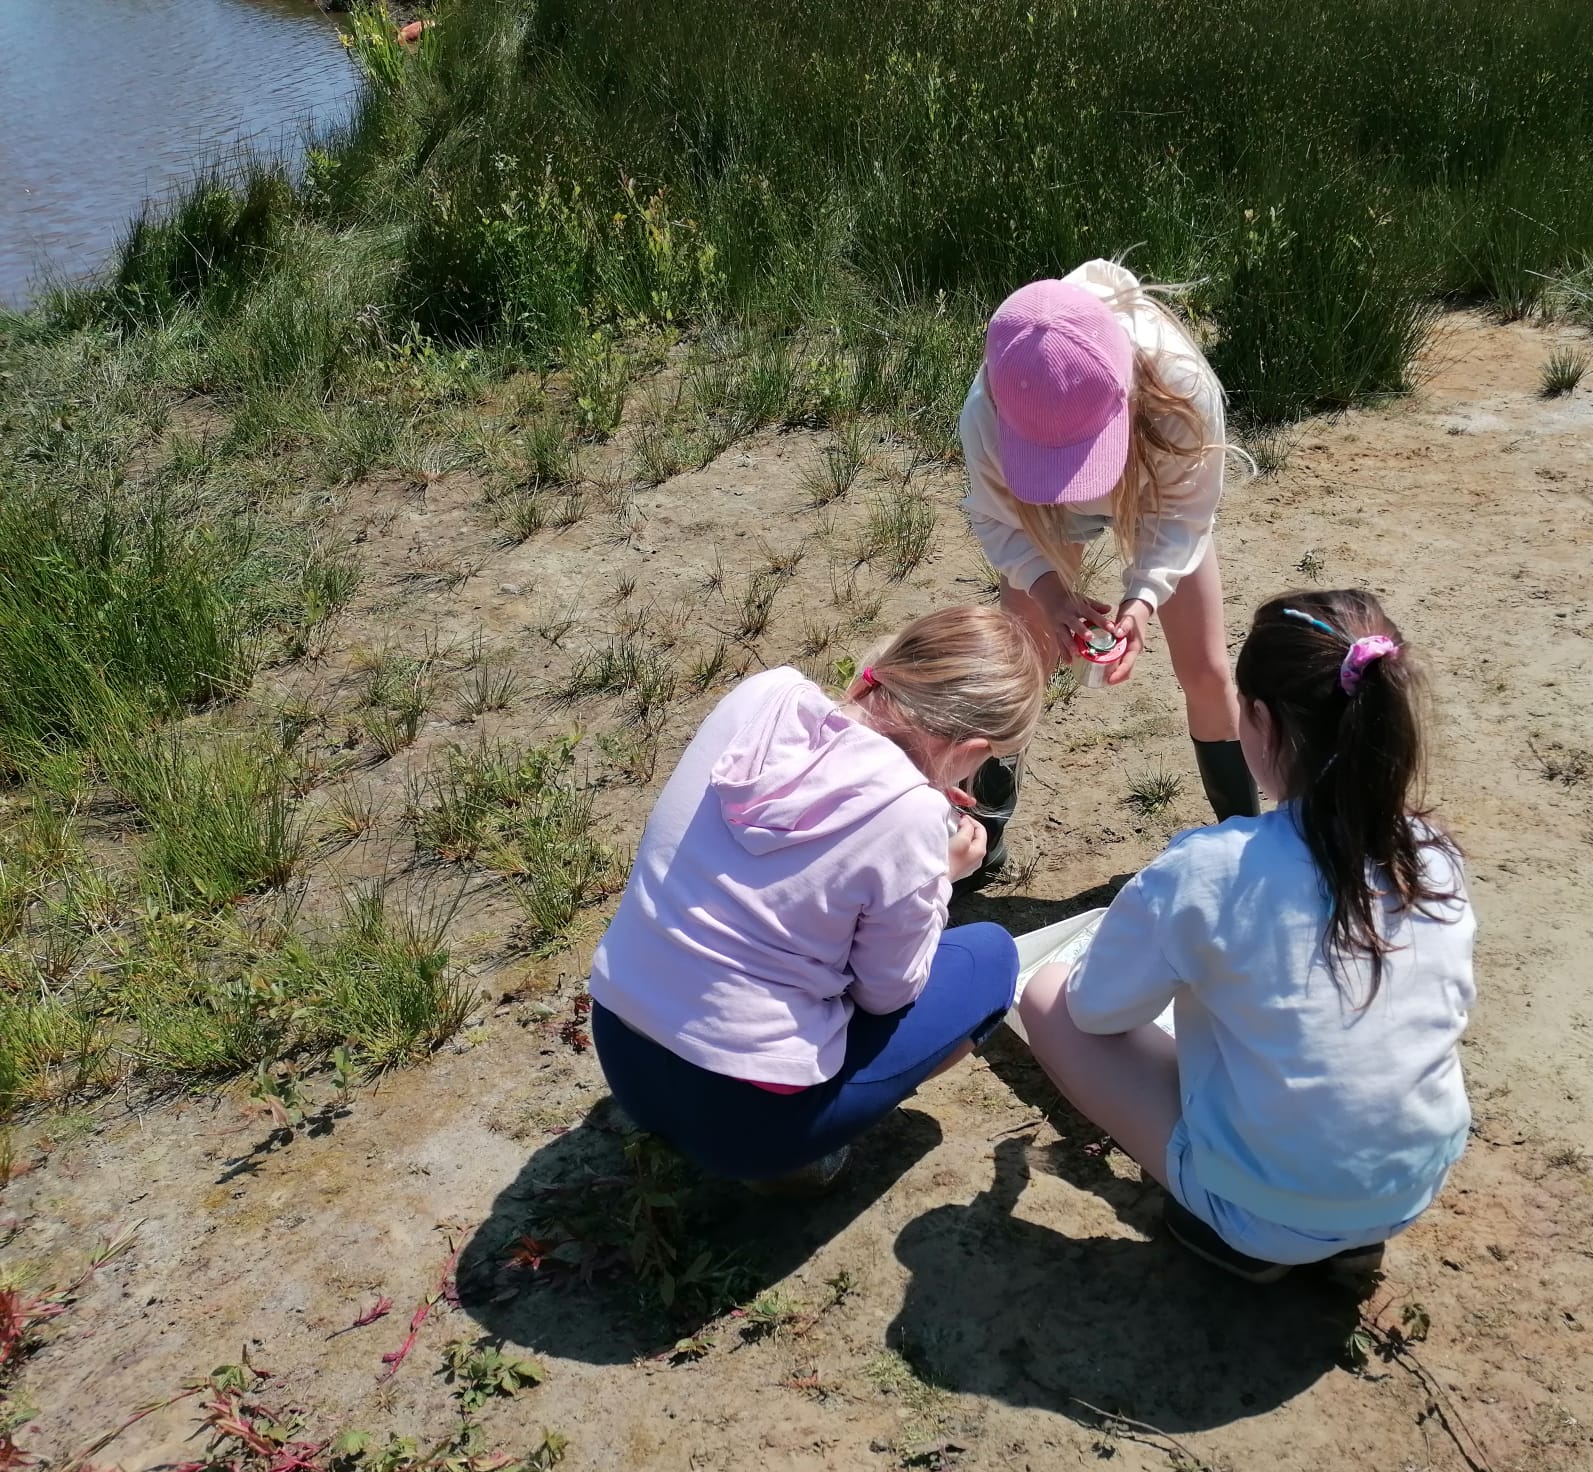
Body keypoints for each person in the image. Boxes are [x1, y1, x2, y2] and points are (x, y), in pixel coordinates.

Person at [1016, 589, 1476, 1282]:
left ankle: (1234, 1236)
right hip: (1413, 1183)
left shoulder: (1207, 869)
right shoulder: (1431, 855)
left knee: (1050, 997)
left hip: (1268, 1213)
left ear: (1257, 719)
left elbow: (1096, 1011)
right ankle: (1344, 1234)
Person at [589, 606, 1045, 1191]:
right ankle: (801, 1159)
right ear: (972, 747)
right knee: (990, 958)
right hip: (743, 1124)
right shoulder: (909, 818)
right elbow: (887, 994)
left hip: (624, 1044)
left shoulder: (766, 693)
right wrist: (937, 876)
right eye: (988, 760)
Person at [957, 259, 1253, 877]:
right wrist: (1048, 592)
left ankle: (1247, 842)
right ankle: (982, 837)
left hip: (1152, 492)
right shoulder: (993, 402)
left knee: (1205, 669)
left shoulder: (1180, 386)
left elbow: (1184, 517)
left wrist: (1143, 596)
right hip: (1037, 518)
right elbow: (997, 519)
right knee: (1018, 670)